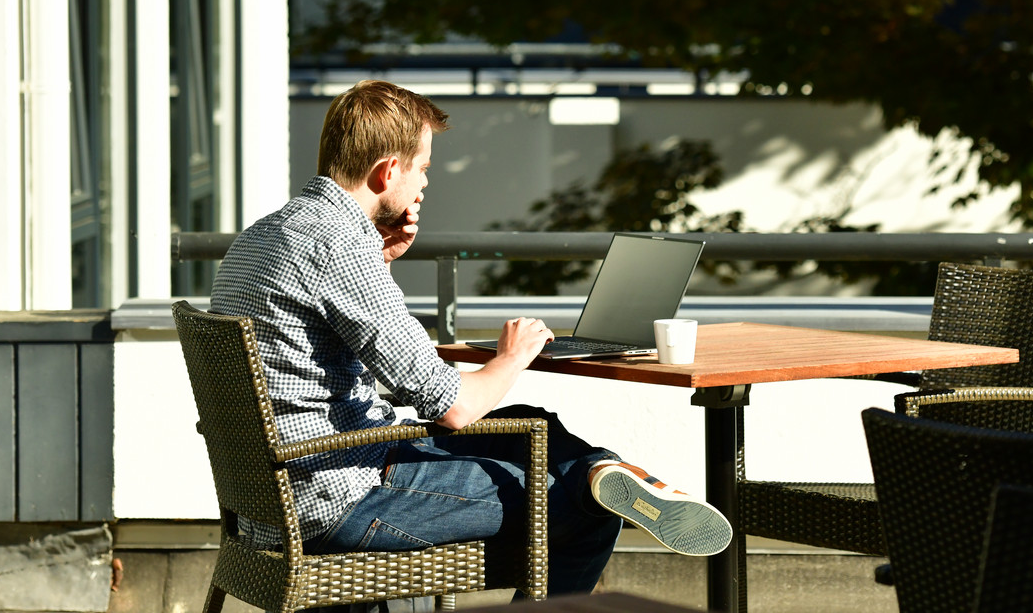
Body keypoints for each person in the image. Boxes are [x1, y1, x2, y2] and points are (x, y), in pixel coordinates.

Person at [211, 79, 731, 599]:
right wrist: (511, 357)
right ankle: (602, 478)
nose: (424, 184)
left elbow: (328, 348)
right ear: (388, 171)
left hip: (277, 493)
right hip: (341, 496)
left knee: (536, 425)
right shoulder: (340, 246)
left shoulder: (264, 234)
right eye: (422, 168)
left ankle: (605, 469)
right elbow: (453, 407)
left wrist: (382, 260)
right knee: (585, 510)